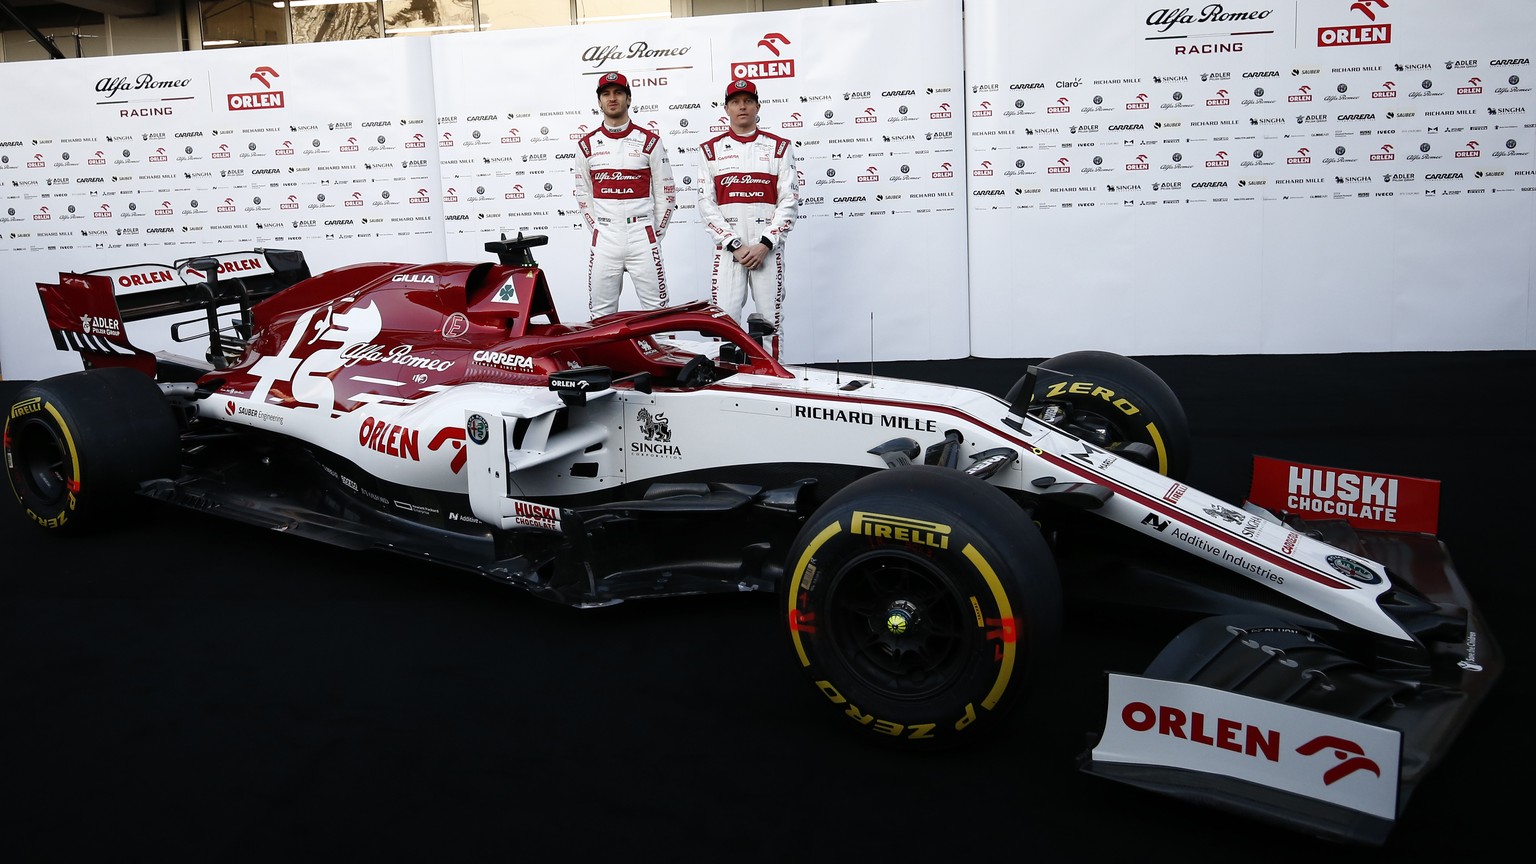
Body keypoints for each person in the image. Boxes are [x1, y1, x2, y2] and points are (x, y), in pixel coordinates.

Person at [697, 78, 799, 347]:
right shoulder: (710, 150)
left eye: (748, 101)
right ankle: (729, 385)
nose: (742, 107)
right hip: (729, 251)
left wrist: (766, 244)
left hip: (767, 250)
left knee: (770, 324)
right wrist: (734, 245)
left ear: (757, 106)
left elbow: (789, 201)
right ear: (726, 108)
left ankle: (774, 385)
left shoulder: (779, 147)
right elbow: (706, 204)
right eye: (735, 102)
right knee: (725, 323)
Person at [573, 71, 677, 319]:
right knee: (600, 315)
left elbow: (667, 195)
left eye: (618, 93)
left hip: (643, 236)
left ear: (628, 99)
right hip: (606, 238)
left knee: (658, 314)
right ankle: (604, 360)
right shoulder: (586, 145)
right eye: (606, 94)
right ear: (599, 102)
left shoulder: (650, 141)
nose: (612, 98)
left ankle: (663, 357)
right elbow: (583, 194)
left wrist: (653, 234)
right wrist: (599, 228)